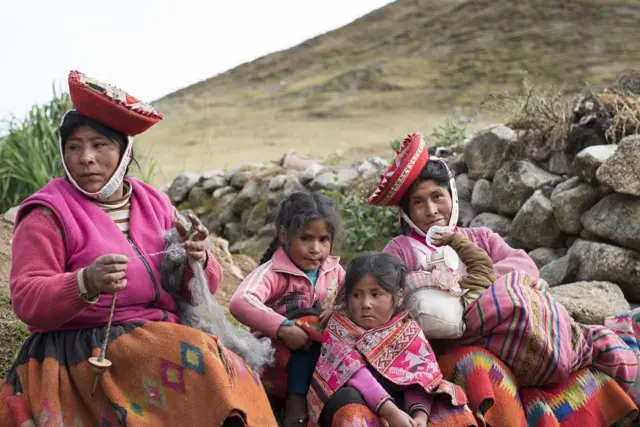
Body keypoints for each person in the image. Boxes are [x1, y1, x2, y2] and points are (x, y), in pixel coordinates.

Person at [0, 70, 278, 427]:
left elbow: (200, 289)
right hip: (83, 349)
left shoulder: (155, 203)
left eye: (99, 144)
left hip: (158, 336)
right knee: (200, 363)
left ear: (123, 151)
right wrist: (85, 281)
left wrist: (198, 259)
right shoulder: (46, 213)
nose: (86, 157)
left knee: (232, 369)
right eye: (74, 147)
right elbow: (26, 299)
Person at [366, 132, 639, 426]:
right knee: (477, 366)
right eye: (418, 203)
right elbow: (385, 295)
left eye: (437, 197)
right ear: (406, 213)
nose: (431, 211)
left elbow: (524, 268)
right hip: (451, 348)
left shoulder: (478, 237)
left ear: (452, 196)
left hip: (511, 334)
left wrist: (480, 291)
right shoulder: (400, 251)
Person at [308, 252, 477, 427]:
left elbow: (416, 379)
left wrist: (419, 417)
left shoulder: (407, 330)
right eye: (357, 295)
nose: (365, 303)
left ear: (399, 297)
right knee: (347, 399)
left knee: (449, 397)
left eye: (375, 294)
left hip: (399, 409)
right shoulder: (338, 328)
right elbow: (356, 375)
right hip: (360, 402)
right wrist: (392, 413)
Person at [229, 191, 345, 427]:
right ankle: (296, 401)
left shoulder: (335, 271)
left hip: (320, 353)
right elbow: (240, 301)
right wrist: (283, 328)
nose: (315, 249)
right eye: (306, 238)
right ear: (284, 235)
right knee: (309, 319)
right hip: (276, 353)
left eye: (323, 240)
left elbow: (350, 298)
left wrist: (338, 309)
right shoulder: (273, 272)